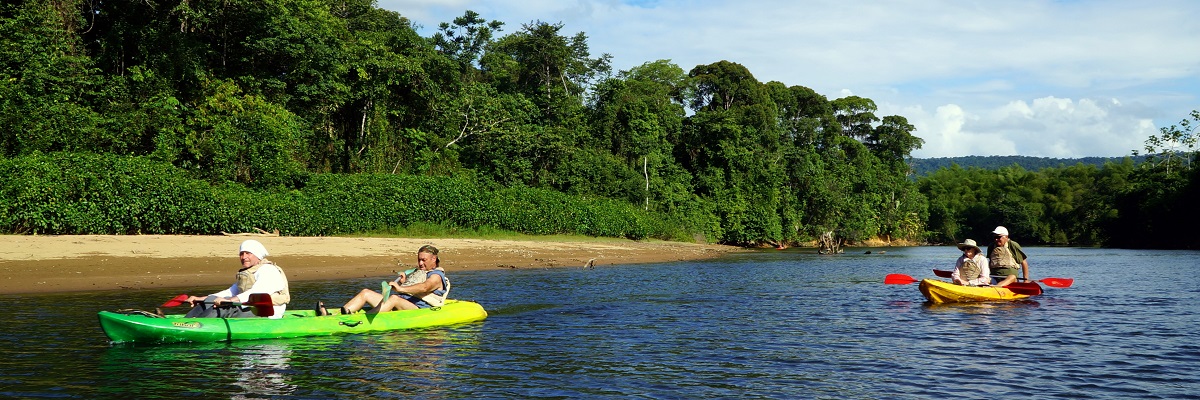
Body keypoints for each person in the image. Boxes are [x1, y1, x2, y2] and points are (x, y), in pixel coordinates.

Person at [319, 245, 449, 315]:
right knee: (366, 292)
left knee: (394, 298)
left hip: (421, 310)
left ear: (434, 259)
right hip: (405, 303)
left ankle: (364, 318)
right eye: (419, 259)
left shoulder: (436, 276)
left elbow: (425, 287)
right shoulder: (422, 272)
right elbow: (415, 289)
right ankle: (341, 314)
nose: (420, 263)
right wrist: (404, 283)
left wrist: (400, 288)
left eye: (424, 260)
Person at [184, 240, 291, 319]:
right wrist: (201, 298)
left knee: (225, 307)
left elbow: (258, 292)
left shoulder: (268, 270)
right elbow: (230, 292)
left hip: (268, 313)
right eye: (241, 254)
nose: (244, 257)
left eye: (248, 253)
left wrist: (229, 301)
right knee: (210, 300)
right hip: (248, 307)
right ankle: (186, 321)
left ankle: (197, 324)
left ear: (257, 255)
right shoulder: (249, 272)